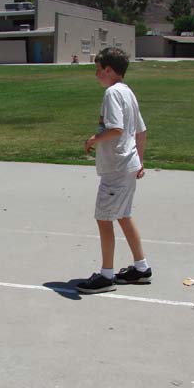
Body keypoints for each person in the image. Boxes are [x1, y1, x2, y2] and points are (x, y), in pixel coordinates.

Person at [75, 47, 152, 294]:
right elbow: (141, 131)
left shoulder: (112, 93)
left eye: (98, 70)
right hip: (127, 164)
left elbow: (116, 129)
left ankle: (106, 275)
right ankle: (141, 268)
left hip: (116, 168)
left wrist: (93, 139)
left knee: (104, 217)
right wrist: (140, 161)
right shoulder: (128, 92)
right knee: (123, 215)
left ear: (109, 70)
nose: (96, 74)